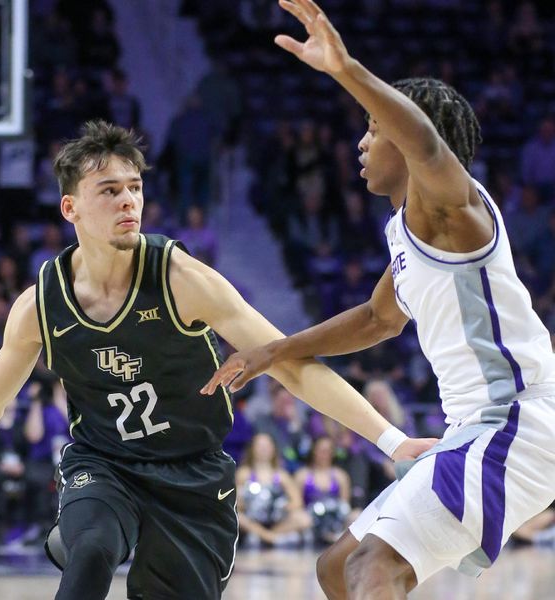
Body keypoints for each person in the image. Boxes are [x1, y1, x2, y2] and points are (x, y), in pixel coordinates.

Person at [0, 120, 433, 600]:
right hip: (105, 463)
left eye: (135, 187)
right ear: (70, 209)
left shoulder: (182, 279)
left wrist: (390, 439)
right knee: (91, 550)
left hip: (192, 474)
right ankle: (84, 529)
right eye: (109, 190)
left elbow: (288, 362)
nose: (129, 201)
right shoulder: (38, 304)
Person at [202, 2, 555, 598]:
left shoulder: (456, 211)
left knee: (374, 569)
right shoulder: (406, 229)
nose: (361, 141)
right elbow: (377, 319)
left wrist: (347, 70)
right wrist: (275, 350)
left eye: (371, 127)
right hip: (477, 425)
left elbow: (427, 145)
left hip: (516, 419)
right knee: (337, 569)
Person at [236, 432, 312, 547]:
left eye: (267, 446)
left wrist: (283, 506)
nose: (263, 450)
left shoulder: (281, 475)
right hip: (252, 519)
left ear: (273, 449)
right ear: (252, 449)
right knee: (238, 517)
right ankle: (269, 537)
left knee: (304, 518)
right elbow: (236, 502)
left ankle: (267, 536)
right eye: (260, 446)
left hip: (277, 520)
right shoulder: (244, 473)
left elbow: (297, 501)